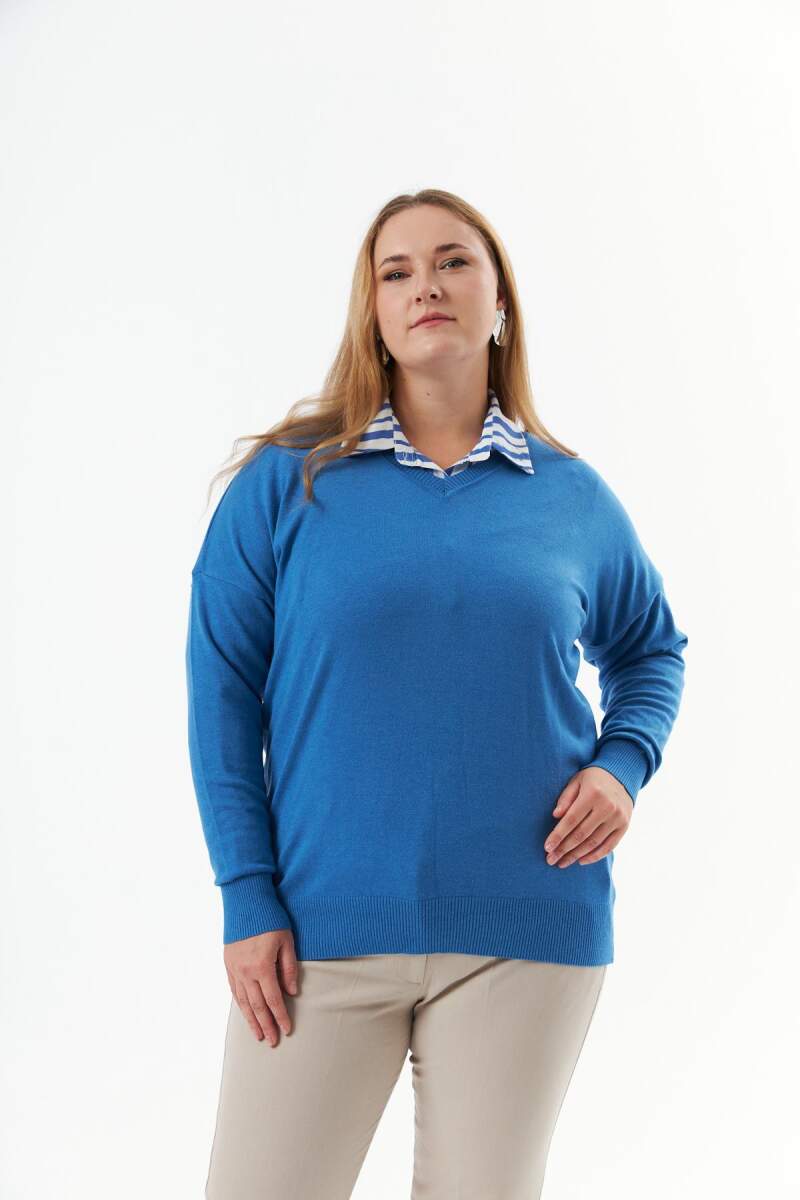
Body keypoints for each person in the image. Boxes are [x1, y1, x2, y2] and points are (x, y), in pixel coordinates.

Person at [185, 188, 689, 1199]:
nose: (426, 286)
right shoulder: (288, 484)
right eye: (397, 270)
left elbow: (650, 650)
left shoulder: (571, 496)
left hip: (526, 928)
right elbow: (222, 695)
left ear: (498, 301)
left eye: (454, 261)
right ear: (371, 312)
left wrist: (621, 766)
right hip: (317, 933)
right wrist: (247, 893)